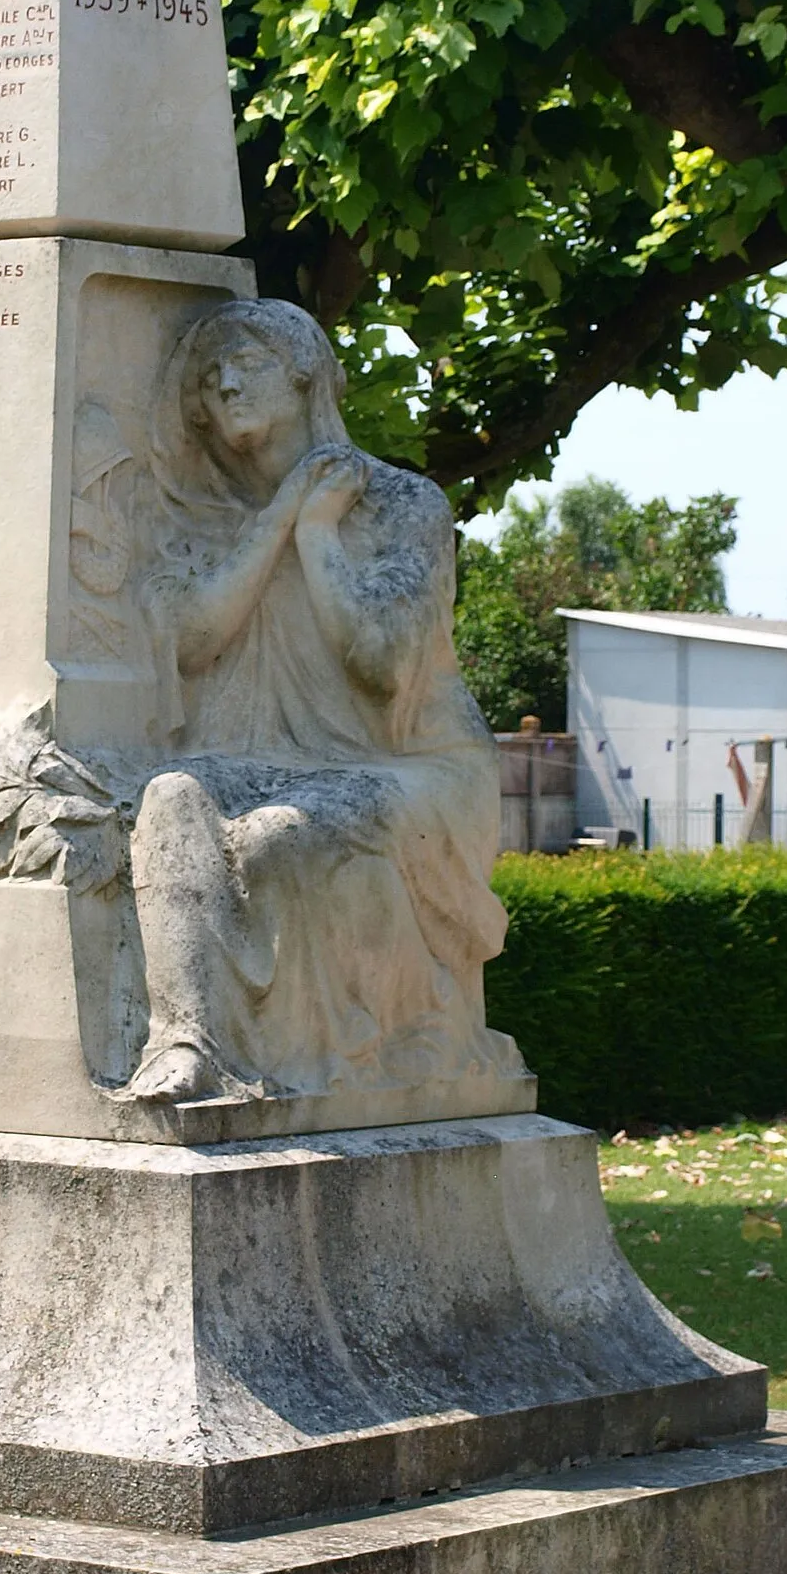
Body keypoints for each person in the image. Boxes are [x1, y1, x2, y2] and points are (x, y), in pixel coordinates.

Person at [119, 298, 515, 1105]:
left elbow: (379, 665)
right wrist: (276, 521)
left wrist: (318, 534)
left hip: (416, 770)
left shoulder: (404, 507)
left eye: (248, 361)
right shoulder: (198, 527)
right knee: (169, 801)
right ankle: (185, 1045)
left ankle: (347, 1052)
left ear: (303, 374)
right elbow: (193, 640)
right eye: (208, 375)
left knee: (277, 838)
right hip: (271, 762)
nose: (224, 382)